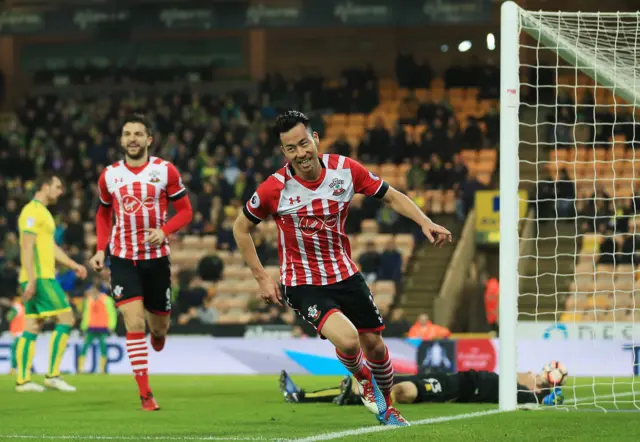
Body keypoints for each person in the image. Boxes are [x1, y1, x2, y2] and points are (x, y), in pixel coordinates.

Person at [233, 110, 452, 426]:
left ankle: (386, 407)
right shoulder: (274, 188)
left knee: (376, 347)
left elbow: (390, 196)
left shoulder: (345, 170)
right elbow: (240, 228)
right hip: (302, 282)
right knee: (349, 341)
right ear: (283, 152)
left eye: (304, 143)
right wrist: (262, 277)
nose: (301, 153)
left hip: (345, 274)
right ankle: (368, 389)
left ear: (316, 139)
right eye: (291, 148)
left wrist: (425, 221)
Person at [89, 113, 193, 411]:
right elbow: (103, 214)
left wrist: (164, 231)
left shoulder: (165, 171)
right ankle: (146, 394)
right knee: (134, 323)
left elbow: (186, 212)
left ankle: (158, 335)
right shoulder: (109, 175)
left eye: (137, 134)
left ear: (149, 139)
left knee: (158, 328)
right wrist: (100, 249)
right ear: (121, 140)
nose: (131, 139)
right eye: (126, 134)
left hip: (157, 262)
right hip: (123, 260)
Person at [15, 172, 88, 392]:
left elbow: (50, 247)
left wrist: (73, 264)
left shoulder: (44, 214)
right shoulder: (31, 211)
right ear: (44, 187)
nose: (60, 192)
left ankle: (23, 380)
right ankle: (53, 375)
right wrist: (31, 278)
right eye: (57, 187)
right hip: (40, 277)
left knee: (33, 326)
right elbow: (27, 246)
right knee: (67, 317)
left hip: (39, 276)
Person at [279, 369, 564, 407]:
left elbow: (542, 399)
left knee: (400, 389)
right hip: (445, 378)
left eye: (540, 377)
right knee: (367, 382)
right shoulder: (514, 381)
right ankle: (304, 395)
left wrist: (549, 395)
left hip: (443, 387)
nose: (533, 373)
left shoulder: (520, 393)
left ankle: (301, 396)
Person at [77, 287, 118, 374]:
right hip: (91, 326)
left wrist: (111, 325)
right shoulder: (89, 300)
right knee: (85, 346)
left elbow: (111, 313)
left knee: (103, 347)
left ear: (96, 291)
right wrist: (84, 326)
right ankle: (80, 368)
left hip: (102, 327)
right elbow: (86, 314)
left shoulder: (106, 299)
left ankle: (102, 369)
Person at [6, 296, 25, 375]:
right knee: (21, 351)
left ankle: (13, 369)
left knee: (15, 351)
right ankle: (22, 368)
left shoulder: (15, 307)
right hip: (23, 331)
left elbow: (8, 317)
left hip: (17, 333)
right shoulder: (23, 308)